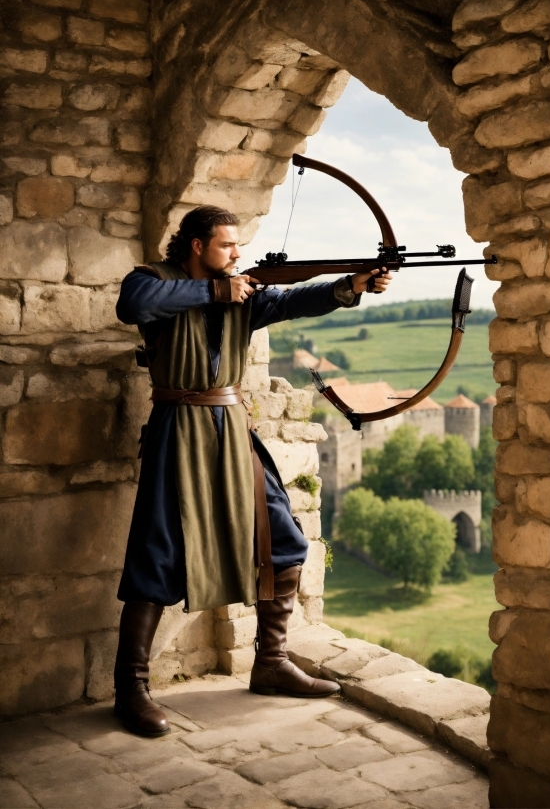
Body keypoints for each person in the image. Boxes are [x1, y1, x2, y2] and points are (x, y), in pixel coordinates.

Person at [113, 204, 393, 736]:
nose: (237, 255)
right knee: (158, 553)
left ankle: (271, 663)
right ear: (196, 245)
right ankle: (131, 687)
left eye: (238, 247)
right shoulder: (156, 281)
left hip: (231, 429)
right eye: (226, 245)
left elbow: (293, 299)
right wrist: (217, 293)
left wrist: (349, 286)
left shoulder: (241, 293)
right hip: (180, 429)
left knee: (284, 540)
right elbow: (134, 304)